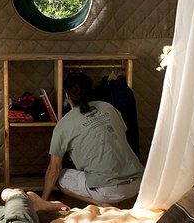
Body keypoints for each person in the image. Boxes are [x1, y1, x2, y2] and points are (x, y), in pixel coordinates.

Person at [42, 71, 144, 206]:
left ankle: (103, 204)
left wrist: (42, 201)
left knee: (61, 178)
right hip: (138, 182)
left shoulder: (63, 125)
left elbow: (53, 170)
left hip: (108, 190)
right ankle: (112, 201)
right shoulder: (108, 107)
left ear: (67, 95)